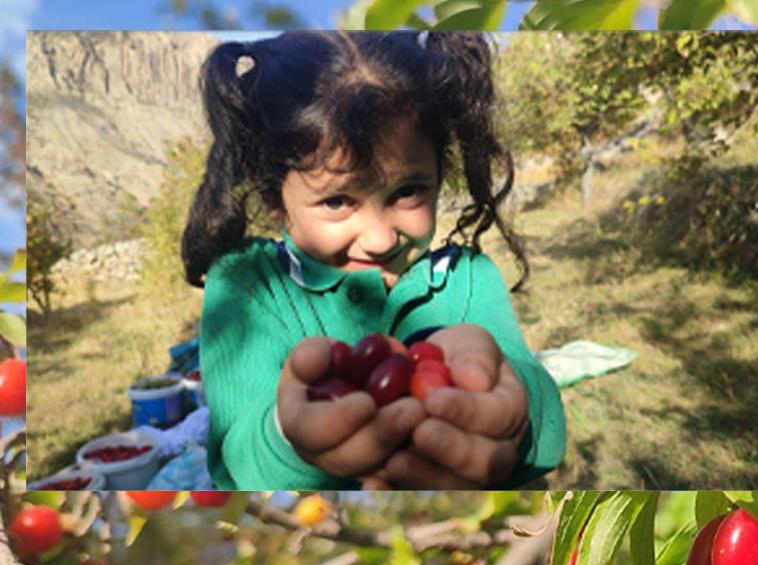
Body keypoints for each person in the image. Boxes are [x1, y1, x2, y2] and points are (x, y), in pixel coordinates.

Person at [180, 31, 564, 489]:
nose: (381, 240)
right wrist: (293, 438)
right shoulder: (248, 286)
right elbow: (236, 462)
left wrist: (515, 406)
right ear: (274, 198)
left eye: (407, 191)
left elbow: (545, 426)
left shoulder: (467, 280)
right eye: (338, 201)